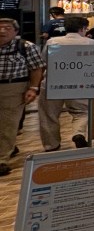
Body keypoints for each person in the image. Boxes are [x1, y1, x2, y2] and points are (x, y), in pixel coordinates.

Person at [38, 16, 94, 151]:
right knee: (82, 112)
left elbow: (43, 62)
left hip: (53, 83)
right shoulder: (91, 43)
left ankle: (51, 145)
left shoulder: (52, 41)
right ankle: (78, 133)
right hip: (80, 83)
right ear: (82, 28)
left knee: (49, 115)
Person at [0, 18, 44, 177]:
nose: (2, 31)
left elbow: (36, 68)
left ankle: (2, 159)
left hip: (14, 88)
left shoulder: (26, 47)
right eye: (0, 27)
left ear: (16, 31)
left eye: (7, 28)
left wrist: (33, 88)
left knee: (8, 124)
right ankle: (9, 148)